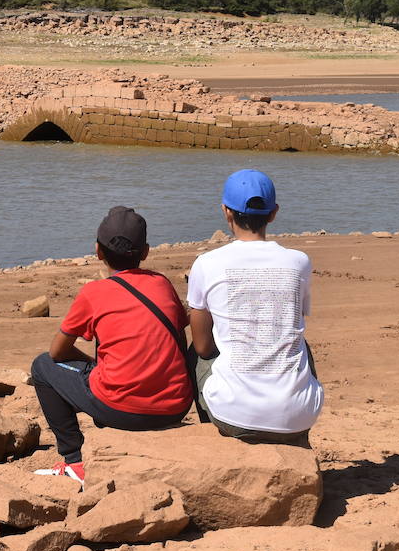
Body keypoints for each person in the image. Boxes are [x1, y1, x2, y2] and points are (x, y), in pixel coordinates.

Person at [29, 206, 194, 482]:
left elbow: (57, 351)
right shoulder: (162, 283)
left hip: (121, 410)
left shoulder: (94, 292)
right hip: (175, 406)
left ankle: (73, 460)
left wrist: (94, 366)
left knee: (42, 366)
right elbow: (179, 324)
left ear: (98, 251)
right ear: (145, 252)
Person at [187, 169, 323, 445]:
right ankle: (295, 441)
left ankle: (219, 439)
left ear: (226, 211)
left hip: (233, 415)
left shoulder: (207, 263)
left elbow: (203, 347)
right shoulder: (299, 262)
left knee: (195, 352)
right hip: (298, 416)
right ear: (273, 213)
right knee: (299, 344)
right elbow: (291, 319)